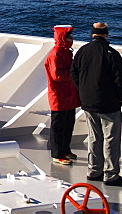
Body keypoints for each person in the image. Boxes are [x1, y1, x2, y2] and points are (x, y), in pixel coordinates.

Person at [71, 22, 122, 186]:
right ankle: (111, 175)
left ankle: (94, 171)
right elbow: (121, 79)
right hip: (109, 104)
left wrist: (82, 90)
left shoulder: (82, 51)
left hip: (88, 102)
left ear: (92, 35)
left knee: (94, 138)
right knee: (111, 139)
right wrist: (120, 97)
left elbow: (73, 73)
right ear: (106, 35)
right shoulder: (111, 53)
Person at [45, 25, 80, 165]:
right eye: (69, 36)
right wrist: (74, 73)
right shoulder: (56, 53)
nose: (71, 39)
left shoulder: (66, 52)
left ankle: (65, 149)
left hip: (69, 94)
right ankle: (57, 153)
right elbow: (57, 75)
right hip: (58, 95)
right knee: (58, 126)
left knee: (68, 123)